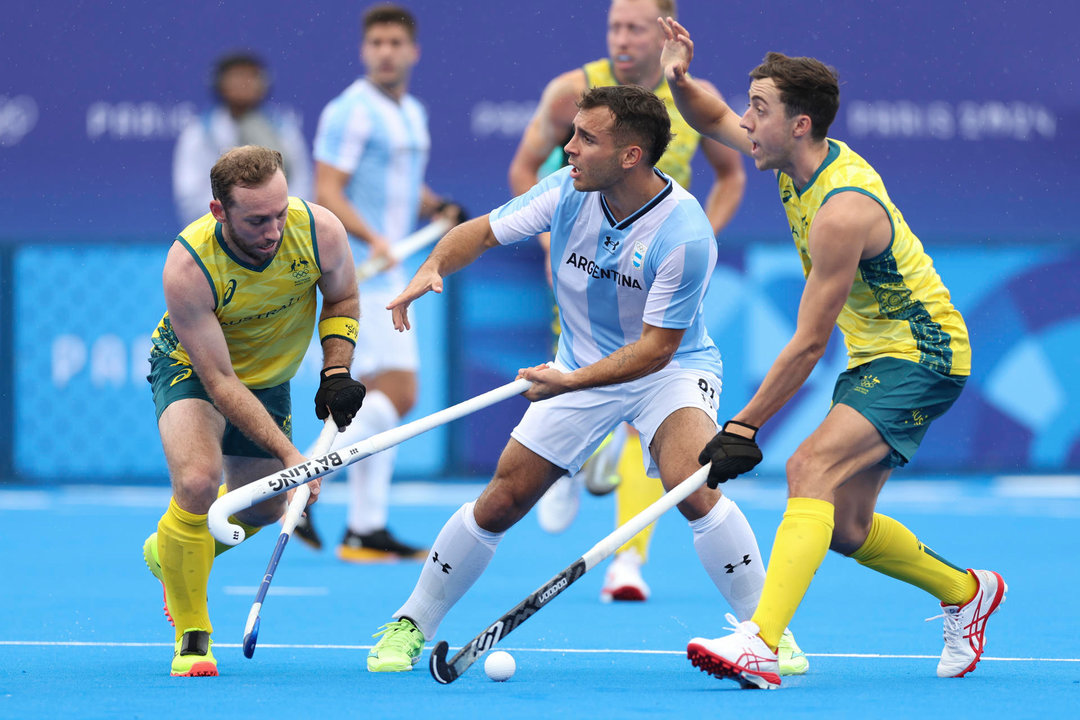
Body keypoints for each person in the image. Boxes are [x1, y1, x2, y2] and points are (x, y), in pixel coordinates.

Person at [365, 85, 803, 676]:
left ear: (630, 156)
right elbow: (485, 231)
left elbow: (655, 350)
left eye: (584, 139)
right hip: (579, 361)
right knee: (503, 498)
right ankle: (412, 621)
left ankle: (767, 635)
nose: (567, 148)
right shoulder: (565, 191)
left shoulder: (686, 235)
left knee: (691, 482)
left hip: (668, 371)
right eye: (571, 133)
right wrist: (433, 265)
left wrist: (569, 384)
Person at [660, 18, 1006, 689]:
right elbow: (707, 115)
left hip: (923, 353)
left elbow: (809, 343)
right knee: (847, 526)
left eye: (758, 109)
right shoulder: (787, 152)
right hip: (877, 356)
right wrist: (676, 78)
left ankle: (760, 642)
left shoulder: (841, 210)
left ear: (800, 123)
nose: (746, 121)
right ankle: (968, 592)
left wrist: (743, 425)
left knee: (809, 464)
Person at [507, 0, 748, 608]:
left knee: (657, 400)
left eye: (635, 27)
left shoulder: (690, 98)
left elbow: (733, 173)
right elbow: (524, 167)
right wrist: (544, 238)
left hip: (660, 263)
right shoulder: (572, 91)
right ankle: (566, 463)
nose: (621, 38)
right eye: (614, 25)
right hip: (589, 258)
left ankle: (628, 561)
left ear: (663, 33)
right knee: (583, 374)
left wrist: (703, 242)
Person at [142, 145, 367, 676]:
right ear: (220, 211)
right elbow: (219, 381)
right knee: (197, 484)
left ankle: (172, 552)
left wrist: (335, 371)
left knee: (265, 508)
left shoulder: (318, 231)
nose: (273, 230)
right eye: (256, 219)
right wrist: (295, 458)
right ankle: (193, 636)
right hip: (194, 371)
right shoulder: (189, 265)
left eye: (280, 212)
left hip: (268, 378)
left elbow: (343, 299)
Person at [296, 4, 466, 563]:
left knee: (384, 394)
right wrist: (375, 237)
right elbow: (329, 190)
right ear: (364, 50)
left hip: (389, 270)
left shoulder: (411, 111)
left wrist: (436, 204)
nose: (385, 51)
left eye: (395, 42)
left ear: (412, 51)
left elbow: (401, 184)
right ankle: (301, 483)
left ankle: (359, 525)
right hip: (357, 272)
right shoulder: (351, 111)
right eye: (376, 42)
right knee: (393, 391)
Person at [173, 52, 312, 227]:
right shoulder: (199, 133)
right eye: (236, 77)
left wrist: (272, 220)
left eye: (252, 77)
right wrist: (234, 221)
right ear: (219, 83)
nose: (244, 83)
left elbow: (301, 185)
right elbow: (190, 196)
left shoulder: (284, 130)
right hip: (217, 233)